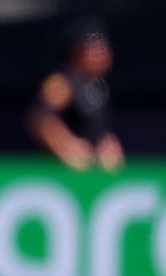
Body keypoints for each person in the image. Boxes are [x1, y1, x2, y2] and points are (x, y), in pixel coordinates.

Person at [26, 14, 124, 171]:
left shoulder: (97, 86)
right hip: (60, 175)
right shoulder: (62, 81)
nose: (103, 55)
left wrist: (107, 144)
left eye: (104, 48)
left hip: (92, 173)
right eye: (95, 49)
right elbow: (41, 120)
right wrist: (67, 146)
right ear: (76, 52)